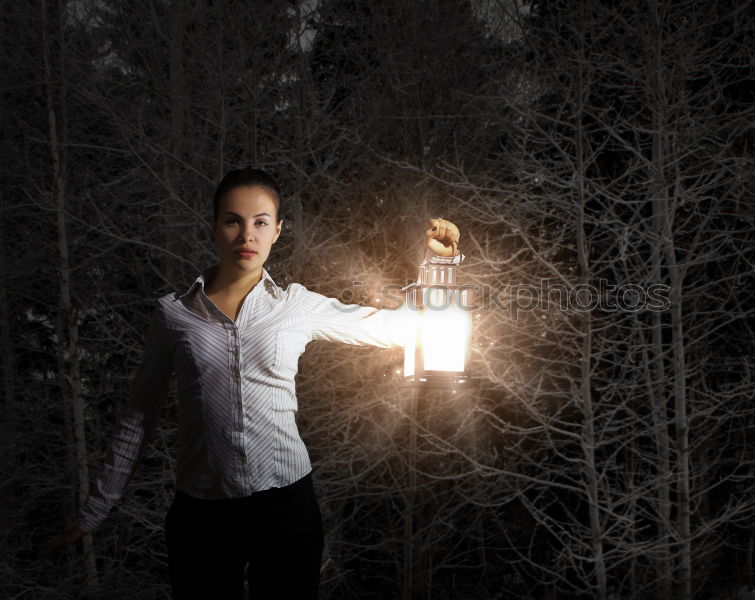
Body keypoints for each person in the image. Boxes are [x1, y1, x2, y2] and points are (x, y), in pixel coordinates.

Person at [37, 167, 462, 599]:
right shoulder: (174, 315)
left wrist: (438, 264)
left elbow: (400, 328)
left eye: (260, 222)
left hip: (286, 511)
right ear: (215, 226)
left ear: (277, 230)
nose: (247, 236)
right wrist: (94, 510)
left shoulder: (297, 306)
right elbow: (138, 418)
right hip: (201, 516)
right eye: (232, 221)